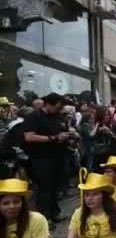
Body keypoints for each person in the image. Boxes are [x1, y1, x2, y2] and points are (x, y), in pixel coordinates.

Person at [23, 93, 68, 225]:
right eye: (58, 107)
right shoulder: (34, 117)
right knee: (44, 189)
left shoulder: (57, 116)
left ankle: (55, 213)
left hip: (57, 156)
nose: (59, 110)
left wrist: (68, 135)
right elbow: (29, 137)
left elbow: (60, 130)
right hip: (41, 159)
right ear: (48, 104)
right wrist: (52, 138)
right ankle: (44, 218)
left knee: (55, 187)